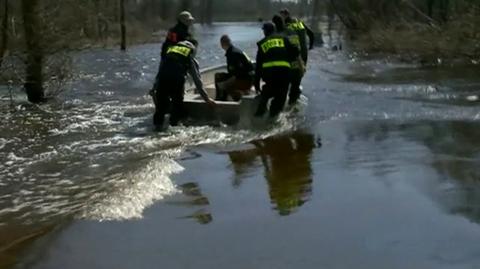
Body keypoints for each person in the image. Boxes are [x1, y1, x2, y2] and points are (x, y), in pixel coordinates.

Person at [151, 40, 216, 128]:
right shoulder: (188, 56)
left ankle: (157, 128)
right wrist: (207, 99)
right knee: (176, 107)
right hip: (176, 81)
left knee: (160, 109)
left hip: (162, 80)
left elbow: (160, 71)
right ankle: (173, 127)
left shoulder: (169, 51)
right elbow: (197, 81)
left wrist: (154, 88)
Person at [254, 22, 299, 118]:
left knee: (270, 88)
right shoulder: (284, 39)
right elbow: (296, 51)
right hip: (284, 73)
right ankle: (273, 116)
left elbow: (258, 66)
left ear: (265, 32)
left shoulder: (262, 43)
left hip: (269, 75)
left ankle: (263, 103)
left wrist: (256, 85)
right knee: (280, 98)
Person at [280, 9, 315, 105]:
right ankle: (295, 93)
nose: (281, 18)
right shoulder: (300, 23)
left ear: (285, 15)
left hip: (295, 53)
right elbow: (311, 34)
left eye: (281, 15)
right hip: (304, 53)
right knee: (299, 73)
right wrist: (311, 46)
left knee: (291, 74)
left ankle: (292, 99)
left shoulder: (287, 26)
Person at [272, 14, 306, 105]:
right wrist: (302, 66)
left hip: (284, 69)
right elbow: (297, 50)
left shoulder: (275, 35)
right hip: (296, 68)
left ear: (275, 24)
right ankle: (292, 111)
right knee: (294, 93)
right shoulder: (292, 32)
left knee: (281, 93)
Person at [214, 35, 255, 101]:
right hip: (251, 78)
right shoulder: (236, 50)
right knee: (219, 76)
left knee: (223, 84)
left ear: (222, 44)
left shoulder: (231, 54)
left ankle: (228, 99)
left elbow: (233, 73)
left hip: (245, 80)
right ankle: (223, 98)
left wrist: (224, 83)